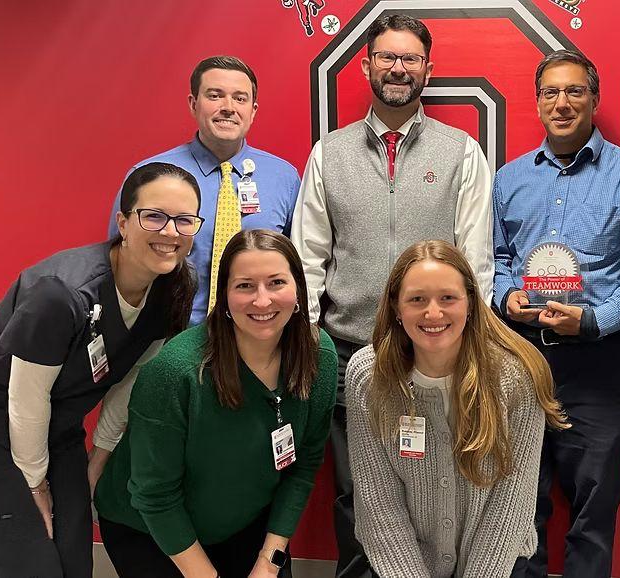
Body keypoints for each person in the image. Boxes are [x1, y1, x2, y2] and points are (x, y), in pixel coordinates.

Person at [0, 162, 202, 578]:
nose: (170, 232)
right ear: (123, 223)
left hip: (57, 425)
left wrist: (99, 457)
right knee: (30, 567)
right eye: (154, 216)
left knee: (73, 560)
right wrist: (35, 484)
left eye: (184, 220)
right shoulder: (62, 292)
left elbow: (133, 380)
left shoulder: (175, 285)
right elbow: (27, 397)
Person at [290, 14, 493, 577]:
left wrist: (470, 349)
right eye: (387, 57)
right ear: (367, 66)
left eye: (410, 58)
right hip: (349, 357)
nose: (398, 68)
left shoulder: (461, 152)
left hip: (437, 357)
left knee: (438, 496)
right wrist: (307, 341)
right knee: (358, 500)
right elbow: (307, 259)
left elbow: (475, 262)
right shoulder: (329, 154)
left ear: (428, 68)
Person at [492, 50, 620, 578]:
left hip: (600, 363)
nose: (562, 103)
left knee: (593, 514)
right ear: (537, 103)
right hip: (521, 360)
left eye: (574, 91)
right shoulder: (509, 179)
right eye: (550, 92)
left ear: (594, 99)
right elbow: (495, 259)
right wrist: (505, 296)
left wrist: (591, 320)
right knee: (517, 511)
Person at [93, 229, 338, 578]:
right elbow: (155, 496)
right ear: (223, 297)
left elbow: (303, 467)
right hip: (150, 527)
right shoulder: (175, 372)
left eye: (276, 283)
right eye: (245, 286)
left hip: (243, 522)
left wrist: (269, 563)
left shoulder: (318, 356)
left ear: (299, 289)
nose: (262, 301)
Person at [345, 240, 568, 578]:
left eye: (448, 298)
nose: (433, 313)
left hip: (498, 564)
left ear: (471, 304)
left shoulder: (517, 376)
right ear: (395, 307)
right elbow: (379, 506)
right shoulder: (369, 377)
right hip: (404, 565)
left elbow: (510, 507)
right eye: (417, 299)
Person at [110, 55, 302, 325]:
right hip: (167, 335)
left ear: (253, 110)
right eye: (215, 96)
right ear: (193, 104)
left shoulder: (284, 178)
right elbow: (118, 264)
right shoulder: (149, 177)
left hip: (256, 333)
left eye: (240, 98)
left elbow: (297, 266)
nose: (228, 108)